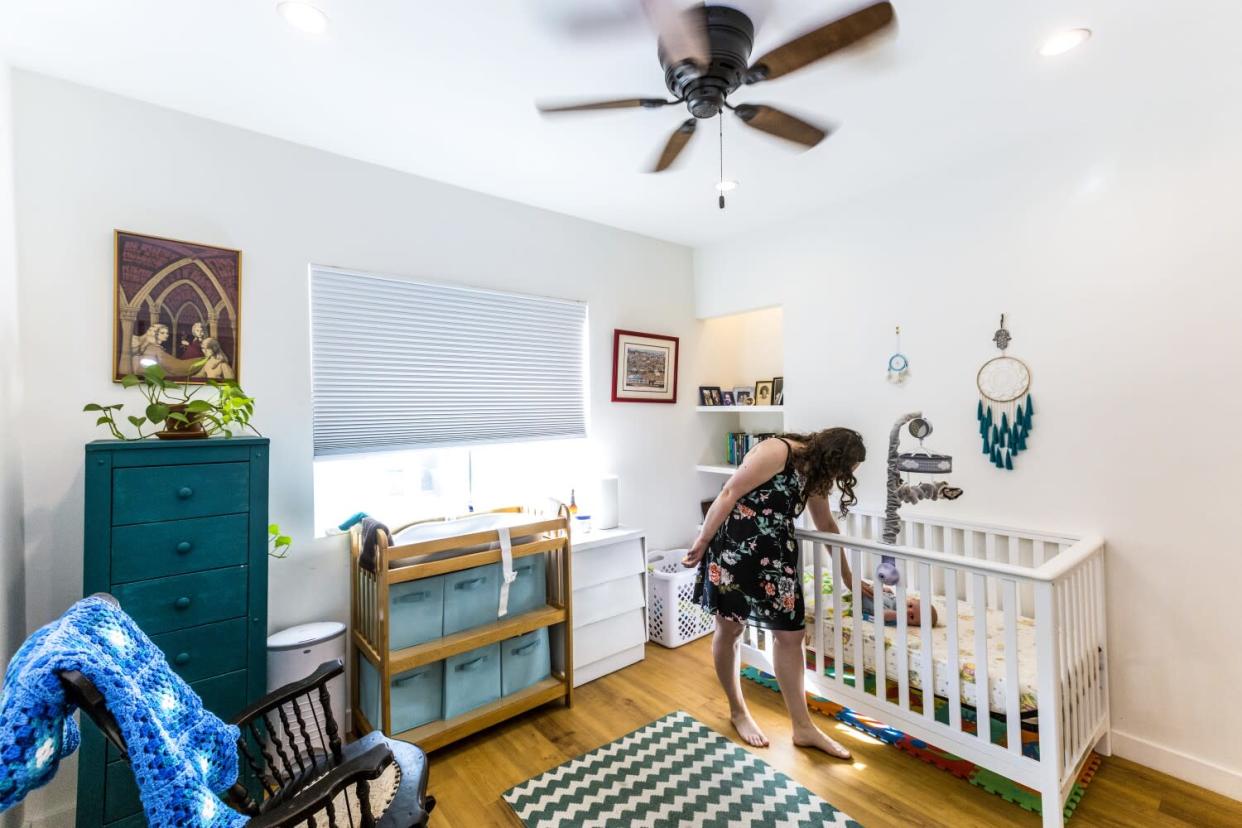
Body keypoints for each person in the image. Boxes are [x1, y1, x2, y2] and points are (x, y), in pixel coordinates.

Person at [684, 428, 866, 759]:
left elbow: (825, 525)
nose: (840, 478)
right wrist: (702, 541)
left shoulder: (814, 473)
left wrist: (849, 576)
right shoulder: (777, 451)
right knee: (730, 630)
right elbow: (728, 494)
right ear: (831, 455)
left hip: (777, 557)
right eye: (843, 470)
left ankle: (803, 727)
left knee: (791, 636)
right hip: (735, 550)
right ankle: (738, 711)